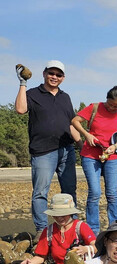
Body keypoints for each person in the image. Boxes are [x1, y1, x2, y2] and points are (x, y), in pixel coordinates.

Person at [15, 60, 80, 241]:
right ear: (44, 73)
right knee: (40, 192)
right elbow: (20, 109)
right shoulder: (33, 93)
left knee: (69, 191)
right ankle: (42, 231)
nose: (54, 77)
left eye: (58, 75)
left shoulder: (65, 97)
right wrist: (22, 82)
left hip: (66, 150)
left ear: (63, 78)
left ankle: (72, 228)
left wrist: (82, 144)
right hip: (43, 151)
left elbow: (71, 123)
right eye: (51, 73)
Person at [72, 86, 117, 235]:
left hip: (113, 156)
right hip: (91, 156)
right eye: (110, 104)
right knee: (95, 193)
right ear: (106, 99)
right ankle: (93, 230)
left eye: (116, 106)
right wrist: (87, 135)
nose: (112, 108)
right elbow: (75, 121)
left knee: (112, 194)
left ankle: (114, 228)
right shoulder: (94, 108)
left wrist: (115, 146)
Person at [18, 193, 96, 264]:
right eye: (56, 214)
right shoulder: (48, 232)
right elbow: (41, 257)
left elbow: (97, 246)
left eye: (63, 214)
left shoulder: (81, 227)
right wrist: (30, 262)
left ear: (71, 212)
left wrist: (85, 249)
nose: (59, 217)